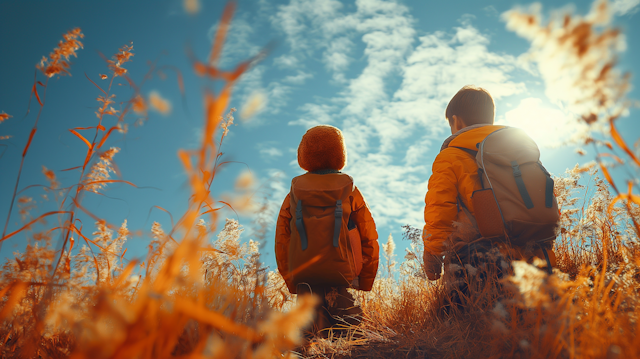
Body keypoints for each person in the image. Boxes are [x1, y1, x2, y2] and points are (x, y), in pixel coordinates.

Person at [422, 85, 558, 309]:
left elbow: (439, 208)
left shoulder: (451, 155)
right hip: (535, 257)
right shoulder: (520, 152)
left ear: (456, 122)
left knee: (461, 323)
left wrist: (434, 254)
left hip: (477, 260)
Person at [275, 125, 379, 337]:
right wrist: (365, 280)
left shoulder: (294, 191)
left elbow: (282, 239)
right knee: (350, 335)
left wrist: (292, 280)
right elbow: (368, 234)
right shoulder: (349, 188)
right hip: (342, 275)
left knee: (307, 335)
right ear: (340, 154)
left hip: (305, 276)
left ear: (303, 156)